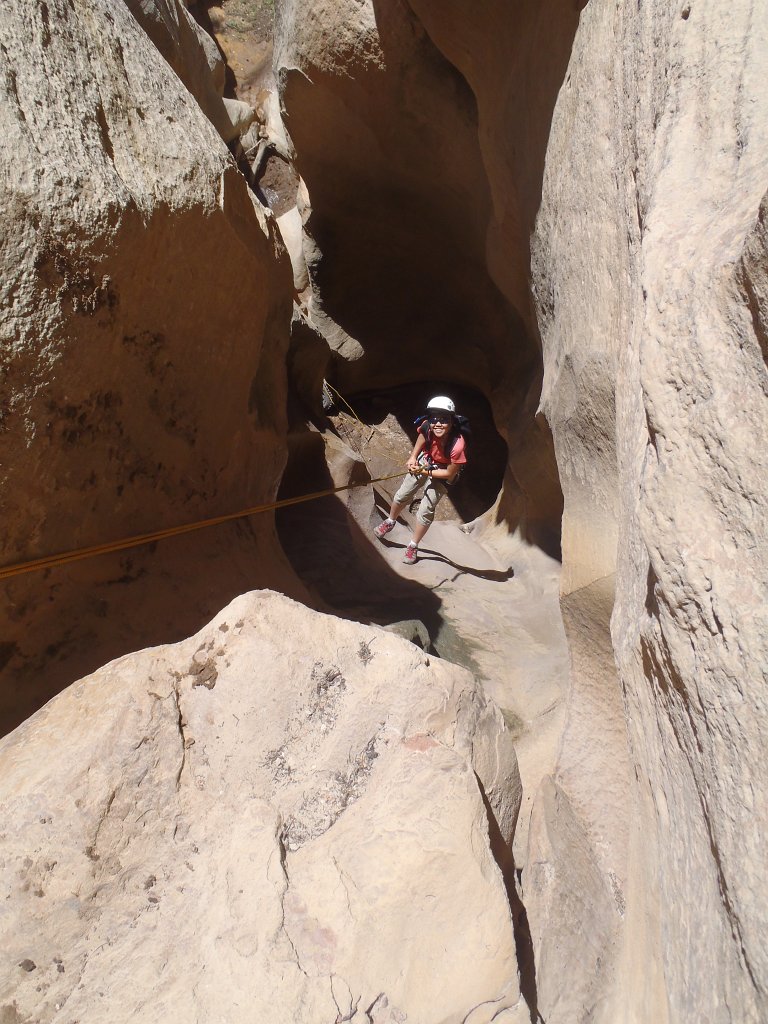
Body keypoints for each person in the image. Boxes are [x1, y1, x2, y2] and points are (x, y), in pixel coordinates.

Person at [374, 396, 467, 564]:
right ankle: (390, 521)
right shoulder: (427, 426)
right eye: (435, 419)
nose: (438, 423)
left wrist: (426, 473)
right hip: (427, 461)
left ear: (452, 422)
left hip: (442, 470)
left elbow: (449, 474)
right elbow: (422, 437)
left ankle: (413, 545)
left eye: (444, 419)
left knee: (426, 510)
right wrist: (413, 457)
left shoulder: (457, 445)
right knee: (402, 495)